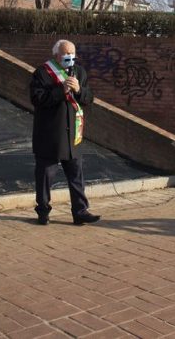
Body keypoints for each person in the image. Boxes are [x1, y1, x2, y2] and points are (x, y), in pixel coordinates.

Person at [30, 40, 100, 225]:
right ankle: (43, 211)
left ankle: (80, 211)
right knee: (45, 176)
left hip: (73, 135)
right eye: (66, 54)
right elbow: (37, 99)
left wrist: (79, 90)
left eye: (72, 54)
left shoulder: (79, 72)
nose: (70, 58)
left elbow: (89, 98)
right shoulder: (43, 73)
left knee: (76, 175)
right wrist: (61, 90)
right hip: (51, 134)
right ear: (56, 55)